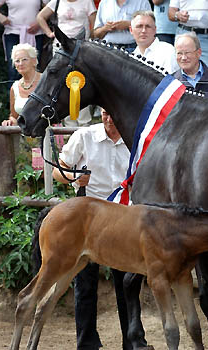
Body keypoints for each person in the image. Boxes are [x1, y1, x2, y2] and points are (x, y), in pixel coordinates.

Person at [52, 109, 140, 350]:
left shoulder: (134, 139)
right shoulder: (84, 136)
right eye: (104, 114)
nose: (109, 119)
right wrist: (73, 177)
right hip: (87, 222)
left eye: (113, 114)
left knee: (127, 284)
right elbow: (56, 171)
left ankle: (131, 342)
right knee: (85, 284)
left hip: (123, 220)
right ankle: (87, 343)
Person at [37, 0, 97, 127]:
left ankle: (84, 124)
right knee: (62, 87)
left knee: (82, 86)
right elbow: (40, 17)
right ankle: (68, 126)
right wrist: (49, 33)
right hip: (60, 50)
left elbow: (94, 26)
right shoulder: (57, 1)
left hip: (81, 50)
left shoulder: (87, 2)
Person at [0, 0, 48, 87]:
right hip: (13, 33)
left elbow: (50, 7)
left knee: (34, 66)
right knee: (14, 69)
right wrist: (0, 17)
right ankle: (14, 98)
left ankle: (33, 97)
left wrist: (39, 22)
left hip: (35, 34)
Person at [168, 0, 208, 67]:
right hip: (184, 33)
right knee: (182, 70)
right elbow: (171, 13)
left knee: (207, 73)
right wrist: (178, 15)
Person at [1, 43, 41, 126]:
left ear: (34, 61)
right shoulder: (15, 87)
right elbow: (14, 116)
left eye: (24, 59)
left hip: (48, 132)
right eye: (17, 61)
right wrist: (9, 122)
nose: (20, 64)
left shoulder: (46, 81)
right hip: (24, 136)